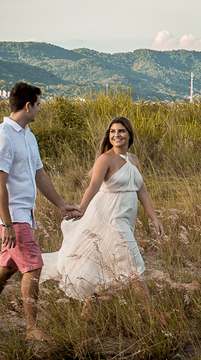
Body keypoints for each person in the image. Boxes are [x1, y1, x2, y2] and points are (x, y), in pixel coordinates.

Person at [0, 82, 81, 341]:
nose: (39, 109)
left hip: (24, 214)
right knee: (33, 267)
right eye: (37, 105)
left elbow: (39, 174)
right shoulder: (2, 135)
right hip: (12, 215)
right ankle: (32, 329)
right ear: (27, 106)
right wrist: (8, 223)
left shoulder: (27, 135)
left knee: (8, 265)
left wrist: (60, 205)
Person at [41, 116, 165, 302]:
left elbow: (142, 190)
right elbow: (93, 186)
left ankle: (89, 308)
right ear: (108, 136)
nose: (117, 135)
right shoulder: (106, 159)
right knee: (133, 264)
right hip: (108, 216)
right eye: (113, 132)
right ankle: (151, 314)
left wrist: (154, 218)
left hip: (125, 218)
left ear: (130, 135)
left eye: (121, 131)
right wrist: (82, 209)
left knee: (103, 263)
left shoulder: (134, 159)